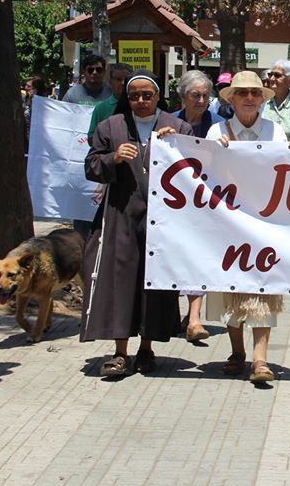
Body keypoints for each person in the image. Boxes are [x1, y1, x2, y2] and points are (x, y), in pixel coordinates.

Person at [81, 70, 190, 377]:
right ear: (125, 98)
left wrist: (177, 146)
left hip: (163, 219)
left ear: (158, 96)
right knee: (121, 282)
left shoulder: (177, 125)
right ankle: (119, 352)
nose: (141, 101)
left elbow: (195, 168)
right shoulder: (111, 126)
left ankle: (147, 349)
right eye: (134, 96)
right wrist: (112, 158)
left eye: (147, 95)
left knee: (153, 284)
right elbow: (90, 165)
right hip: (121, 215)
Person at [206, 71, 290, 383]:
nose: (248, 98)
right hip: (227, 224)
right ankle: (237, 351)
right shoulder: (216, 130)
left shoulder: (275, 132)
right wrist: (211, 151)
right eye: (242, 93)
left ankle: (261, 359)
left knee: (264, 289)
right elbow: (202, 172)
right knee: (229, 287)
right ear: (231, 98)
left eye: (255, 93)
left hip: (265, 223)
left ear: (262, 99)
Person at [172, 70, 224, 343]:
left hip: (206, 201)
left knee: (198, 255)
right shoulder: (169, 123)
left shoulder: (218, 125)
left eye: (206, 95)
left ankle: (194, 318)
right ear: (183, 97)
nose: (202, 100)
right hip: (175, 201)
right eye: (196, 95)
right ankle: (177, 316)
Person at [87, 64, 133, 143]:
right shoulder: (101, 108)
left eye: (126, 79)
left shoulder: (138, 105)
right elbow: (91, 138)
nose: (122, 83)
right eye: (118, 79)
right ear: (110, 82)